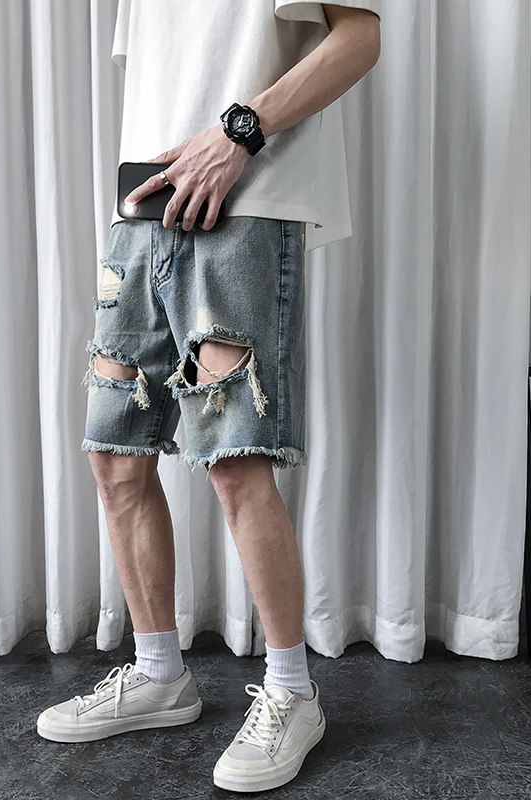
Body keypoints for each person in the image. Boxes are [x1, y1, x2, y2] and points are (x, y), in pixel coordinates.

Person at [37, 0, 381, 792]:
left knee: (234, 458)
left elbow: (359, 37)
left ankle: (293, 692)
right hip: (141, 207)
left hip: (244, 206)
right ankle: (160, 673)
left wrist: (238, 133)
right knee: (115, 455)